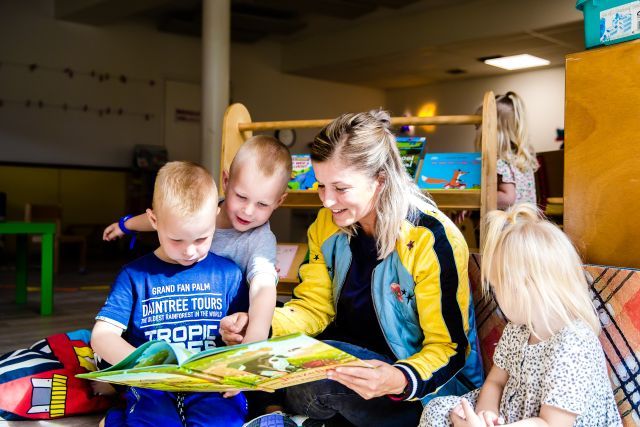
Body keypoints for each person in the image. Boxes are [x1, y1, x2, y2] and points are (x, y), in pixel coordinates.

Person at [222, 110, 483, 427]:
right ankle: (279, 412)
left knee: (326, 368)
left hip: (417, 392)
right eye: (321, 186)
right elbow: (314, 308)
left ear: (380, 179)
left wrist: (399, 378)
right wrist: (260, 324)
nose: (327, 201)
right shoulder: (326, 226)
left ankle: (275, 410)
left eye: (340, 188)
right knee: (265, 333)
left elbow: (450, 349)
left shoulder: (431, 239)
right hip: (343, 372)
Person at [419, 204, 622, 427]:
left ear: (530, 288)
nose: (496, 297)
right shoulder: (518, 329)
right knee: (437, 411)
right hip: (514, 416)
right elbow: (496, 382)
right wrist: (486, 413)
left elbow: (551, 424)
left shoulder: (574, 344)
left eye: (497, 287)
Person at [92, 161, 248, 426]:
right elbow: (102, 337)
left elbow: (250, 331)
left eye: (201, 239)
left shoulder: (229, 274)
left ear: (215, 217)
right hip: (151, 382)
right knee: (154, 421)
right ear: (154, 220)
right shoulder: (134, 276)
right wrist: (143, 367)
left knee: (224, 420)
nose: (189, 251)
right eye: (177, 240)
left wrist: (240, 327)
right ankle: (118, 418)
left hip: (209, 382)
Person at [103, 135, 292, 344]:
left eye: (262, 204)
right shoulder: (206, 207)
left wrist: (254, 341)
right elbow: (167, 218)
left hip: (222, 323)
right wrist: (126, 226)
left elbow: (263, 288)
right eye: (241, 197)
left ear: (278, 201)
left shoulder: (260, 240)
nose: (248, 211)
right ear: (226, 181)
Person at [477, 91, 538, 209]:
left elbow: (507, 198)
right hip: (525, 223)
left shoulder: (499, 162)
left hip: (507, 225)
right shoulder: (520, 160)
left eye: (478, 127)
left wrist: (474, 200)